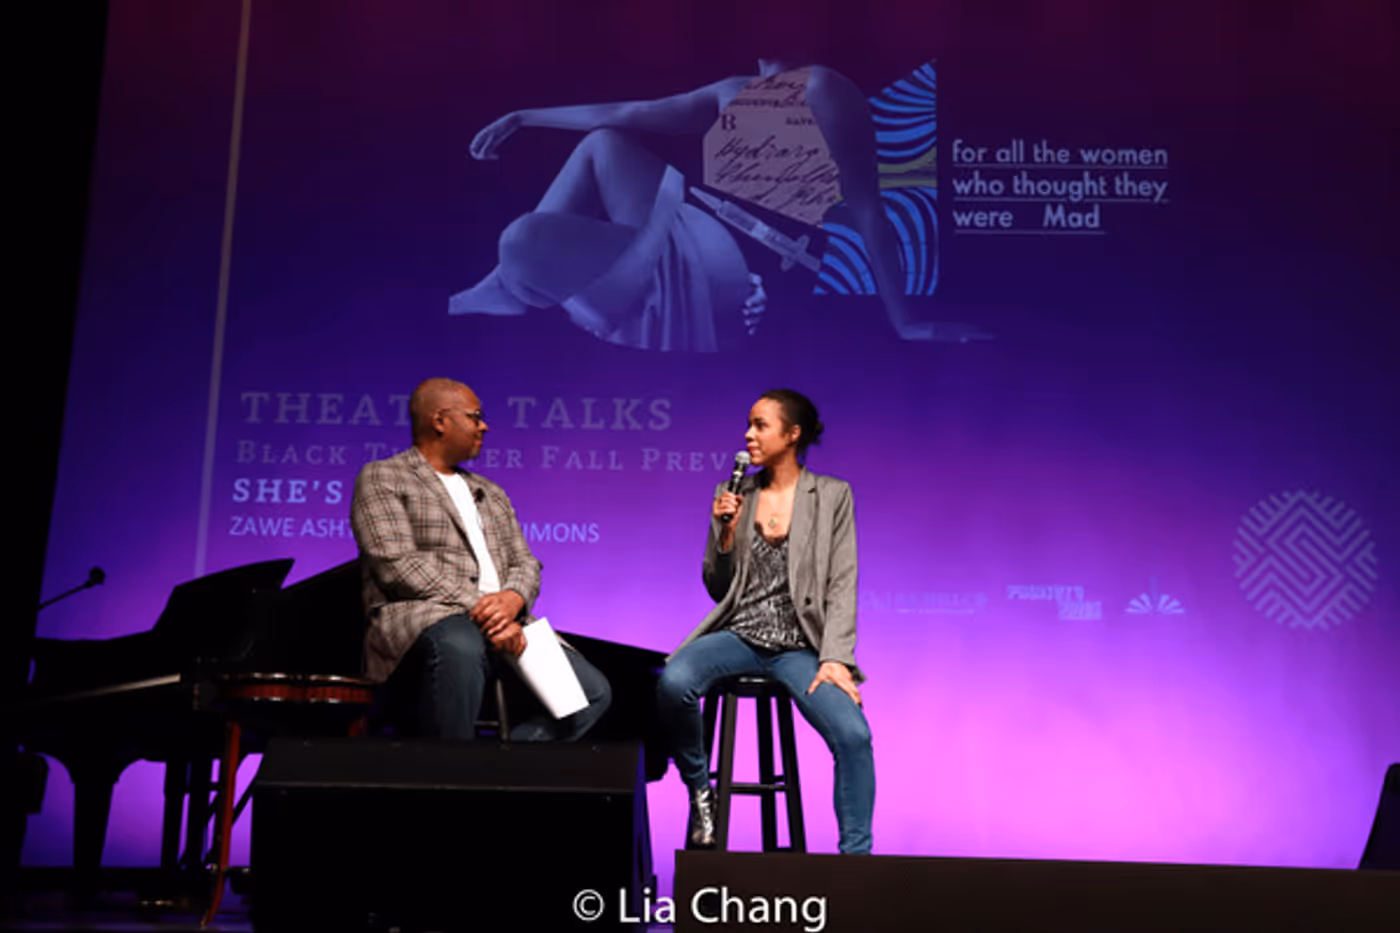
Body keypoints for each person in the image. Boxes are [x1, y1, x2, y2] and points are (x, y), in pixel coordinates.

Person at [454, 59, 938, 350]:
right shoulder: (730, 89)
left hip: (749, 272)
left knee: (523, 241)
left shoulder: (826, 89)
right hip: (704, 234)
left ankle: (521, 286)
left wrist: (905, 322)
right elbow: (626, 112)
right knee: (606, 142)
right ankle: (507, 286)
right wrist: (524, 117)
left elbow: (868, 209)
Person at [656, 389, 875, 854]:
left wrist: (836, 658)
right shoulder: (735, 493)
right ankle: (701, 793)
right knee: (673, 681)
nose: (748, 435)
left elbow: (843, 583)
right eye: (749, 425)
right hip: (739, 634)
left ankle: (856, 861)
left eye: (760, 425)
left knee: (854, 736)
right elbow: (718, 587)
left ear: (792, 434)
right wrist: (726, 533)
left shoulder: (831, 495)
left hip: (799, 647)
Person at [350, 377, 611, 741]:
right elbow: (396, 563)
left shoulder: (489, 492)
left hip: (507, 621)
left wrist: (513, 599)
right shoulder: (383, 477)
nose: (484, 426)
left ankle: (496, 766)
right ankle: (452, 770)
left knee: (589, 695)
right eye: (475, 416)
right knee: (461, 644)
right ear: (440, 420)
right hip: (430, 615)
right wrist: (484, 610)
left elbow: (526, 563)